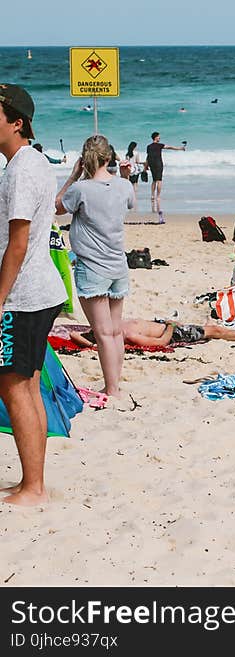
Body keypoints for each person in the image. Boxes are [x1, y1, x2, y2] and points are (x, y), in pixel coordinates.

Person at [0, 83, 69, 506]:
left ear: (16, 122)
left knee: (12, 385)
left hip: (23, 295)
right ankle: (33, 481)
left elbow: (19, 242)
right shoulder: (33, 162)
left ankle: (34, 488)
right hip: (40, 290)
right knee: (24, 384)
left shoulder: (22, 169)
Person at [54, 134, 134, 398]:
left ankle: (111, 388)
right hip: (118, 265)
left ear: (83, 159)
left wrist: (72, 176)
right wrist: (124, 176)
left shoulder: (81, 189)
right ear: (109, 157)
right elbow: (129, 202)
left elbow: (58, 207)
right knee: (114, 330)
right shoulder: (123, 186)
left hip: (92, 267)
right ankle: (114, 384)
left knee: (103, 333)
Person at [69, 317, 235, 349]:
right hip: (174, 333)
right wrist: (171, 325)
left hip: (167, 324)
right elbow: (161, 342)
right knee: (216, 331)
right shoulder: (128, 336)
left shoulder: (112, 324)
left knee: (212, 328)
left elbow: (73, 334)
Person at [145, 131, 185, 221]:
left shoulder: (149, 146)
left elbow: (148, 156)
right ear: (155, 137)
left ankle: (152, 195)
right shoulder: (159, 145)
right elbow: (170, 147)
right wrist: (179, 148)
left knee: (154, 180)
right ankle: (158, 196)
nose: (159, 138)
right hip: (158, 163)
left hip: (151, 163)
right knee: (159, 180)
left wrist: (146, 166)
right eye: (159, 137)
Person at [123, 141, 142, 208]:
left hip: (129, 169)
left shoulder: (127, 154)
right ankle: (134, 197)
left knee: (130, 183)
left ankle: (130, 196)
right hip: (135, 169)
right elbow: (137, 161)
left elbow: (127, 163)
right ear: (134, 147)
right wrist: (143, 163)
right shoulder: (136, 153)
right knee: (135, 183)